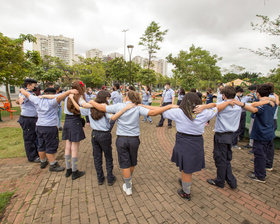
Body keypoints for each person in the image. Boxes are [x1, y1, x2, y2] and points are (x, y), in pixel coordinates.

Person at [145, 93, 233, 200]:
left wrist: (142, 106)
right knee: (186, 165)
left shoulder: (178, 112)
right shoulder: (204, 112)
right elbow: (218, 107)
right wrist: (223, 103)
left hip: (183, 141)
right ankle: (184, 182)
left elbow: (156, 110)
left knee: (186, 168)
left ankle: (186, 192)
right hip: (196, 141)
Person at [89, 90, 178, 196]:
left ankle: (128, 186)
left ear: (126, 97)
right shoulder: (137, 108)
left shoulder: (119, 106)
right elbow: (153, 113)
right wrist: (169, 106)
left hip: (121, 139)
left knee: (125, 163)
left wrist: (92, 102)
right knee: (132, 161)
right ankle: (129, 181)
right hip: (134, 139)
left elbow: (102, 108)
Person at [71, 90, 134, 186]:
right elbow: (113, 117)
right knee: (108, 157)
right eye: (108, 98)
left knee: (97, 157)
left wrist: (72, 99)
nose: (108, 100)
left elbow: (78, 108)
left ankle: (100, 178)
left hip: (94, 134)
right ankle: (110, 178)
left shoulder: (90, 108)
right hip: (104, 135)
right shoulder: (105, 109)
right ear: (104, 98)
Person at [19, 87, 78, 172]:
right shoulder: (52, 101)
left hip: (39, 126)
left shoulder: (37, 99)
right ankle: (53, 164)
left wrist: (21, 90)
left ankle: (43, 161)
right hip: (50, 127)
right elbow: (59, 97)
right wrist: (69, 91)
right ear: (52, 94)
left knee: (41, 145)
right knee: (50, 145)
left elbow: (27, 94)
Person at [198, 86, 242, 189]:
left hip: (221, 135)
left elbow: (213, 105)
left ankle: (220, 180)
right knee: (226, 158)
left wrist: (203, 107)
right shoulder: (238, 106)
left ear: (224, 96)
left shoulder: (223, 106)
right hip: (231, 135)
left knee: (220, 158)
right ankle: (231, 181)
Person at [234, 84, 277, 183]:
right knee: (266, 152)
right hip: (269, 132)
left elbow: (253, 108)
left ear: (258, 93)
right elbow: (275, 101)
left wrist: (242, 104)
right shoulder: (272, 103)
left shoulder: (263, 104)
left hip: (261, 133)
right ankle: (266, 167)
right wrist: (268, 100)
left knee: (259, 155)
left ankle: (260, 175)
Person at [62, 80, 91, 180]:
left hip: (67, 120)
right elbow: (83, 106)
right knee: (74, 147)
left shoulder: (67, 96)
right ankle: (74, 171)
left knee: (67, 146)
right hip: (75, 121)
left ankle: (68, 169)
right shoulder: (79, 97)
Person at [16, 78, 40, 163]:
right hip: (27, 119)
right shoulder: (24, 94)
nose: (35, 87)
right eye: (34, 85)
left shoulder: (30, 93)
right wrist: (19, 101)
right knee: (29, 138)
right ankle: (32, 157)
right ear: (28, 85)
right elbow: (21, 100)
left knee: (34, 137)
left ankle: (36, 154)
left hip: (32, 118)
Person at [244, 84, 258, 150]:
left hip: (256, 116)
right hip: (253, 116)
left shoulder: (257, 97)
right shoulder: (254, 97)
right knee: (251, 131)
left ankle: (253, 145)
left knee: (252, 131)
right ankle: (251, 144)